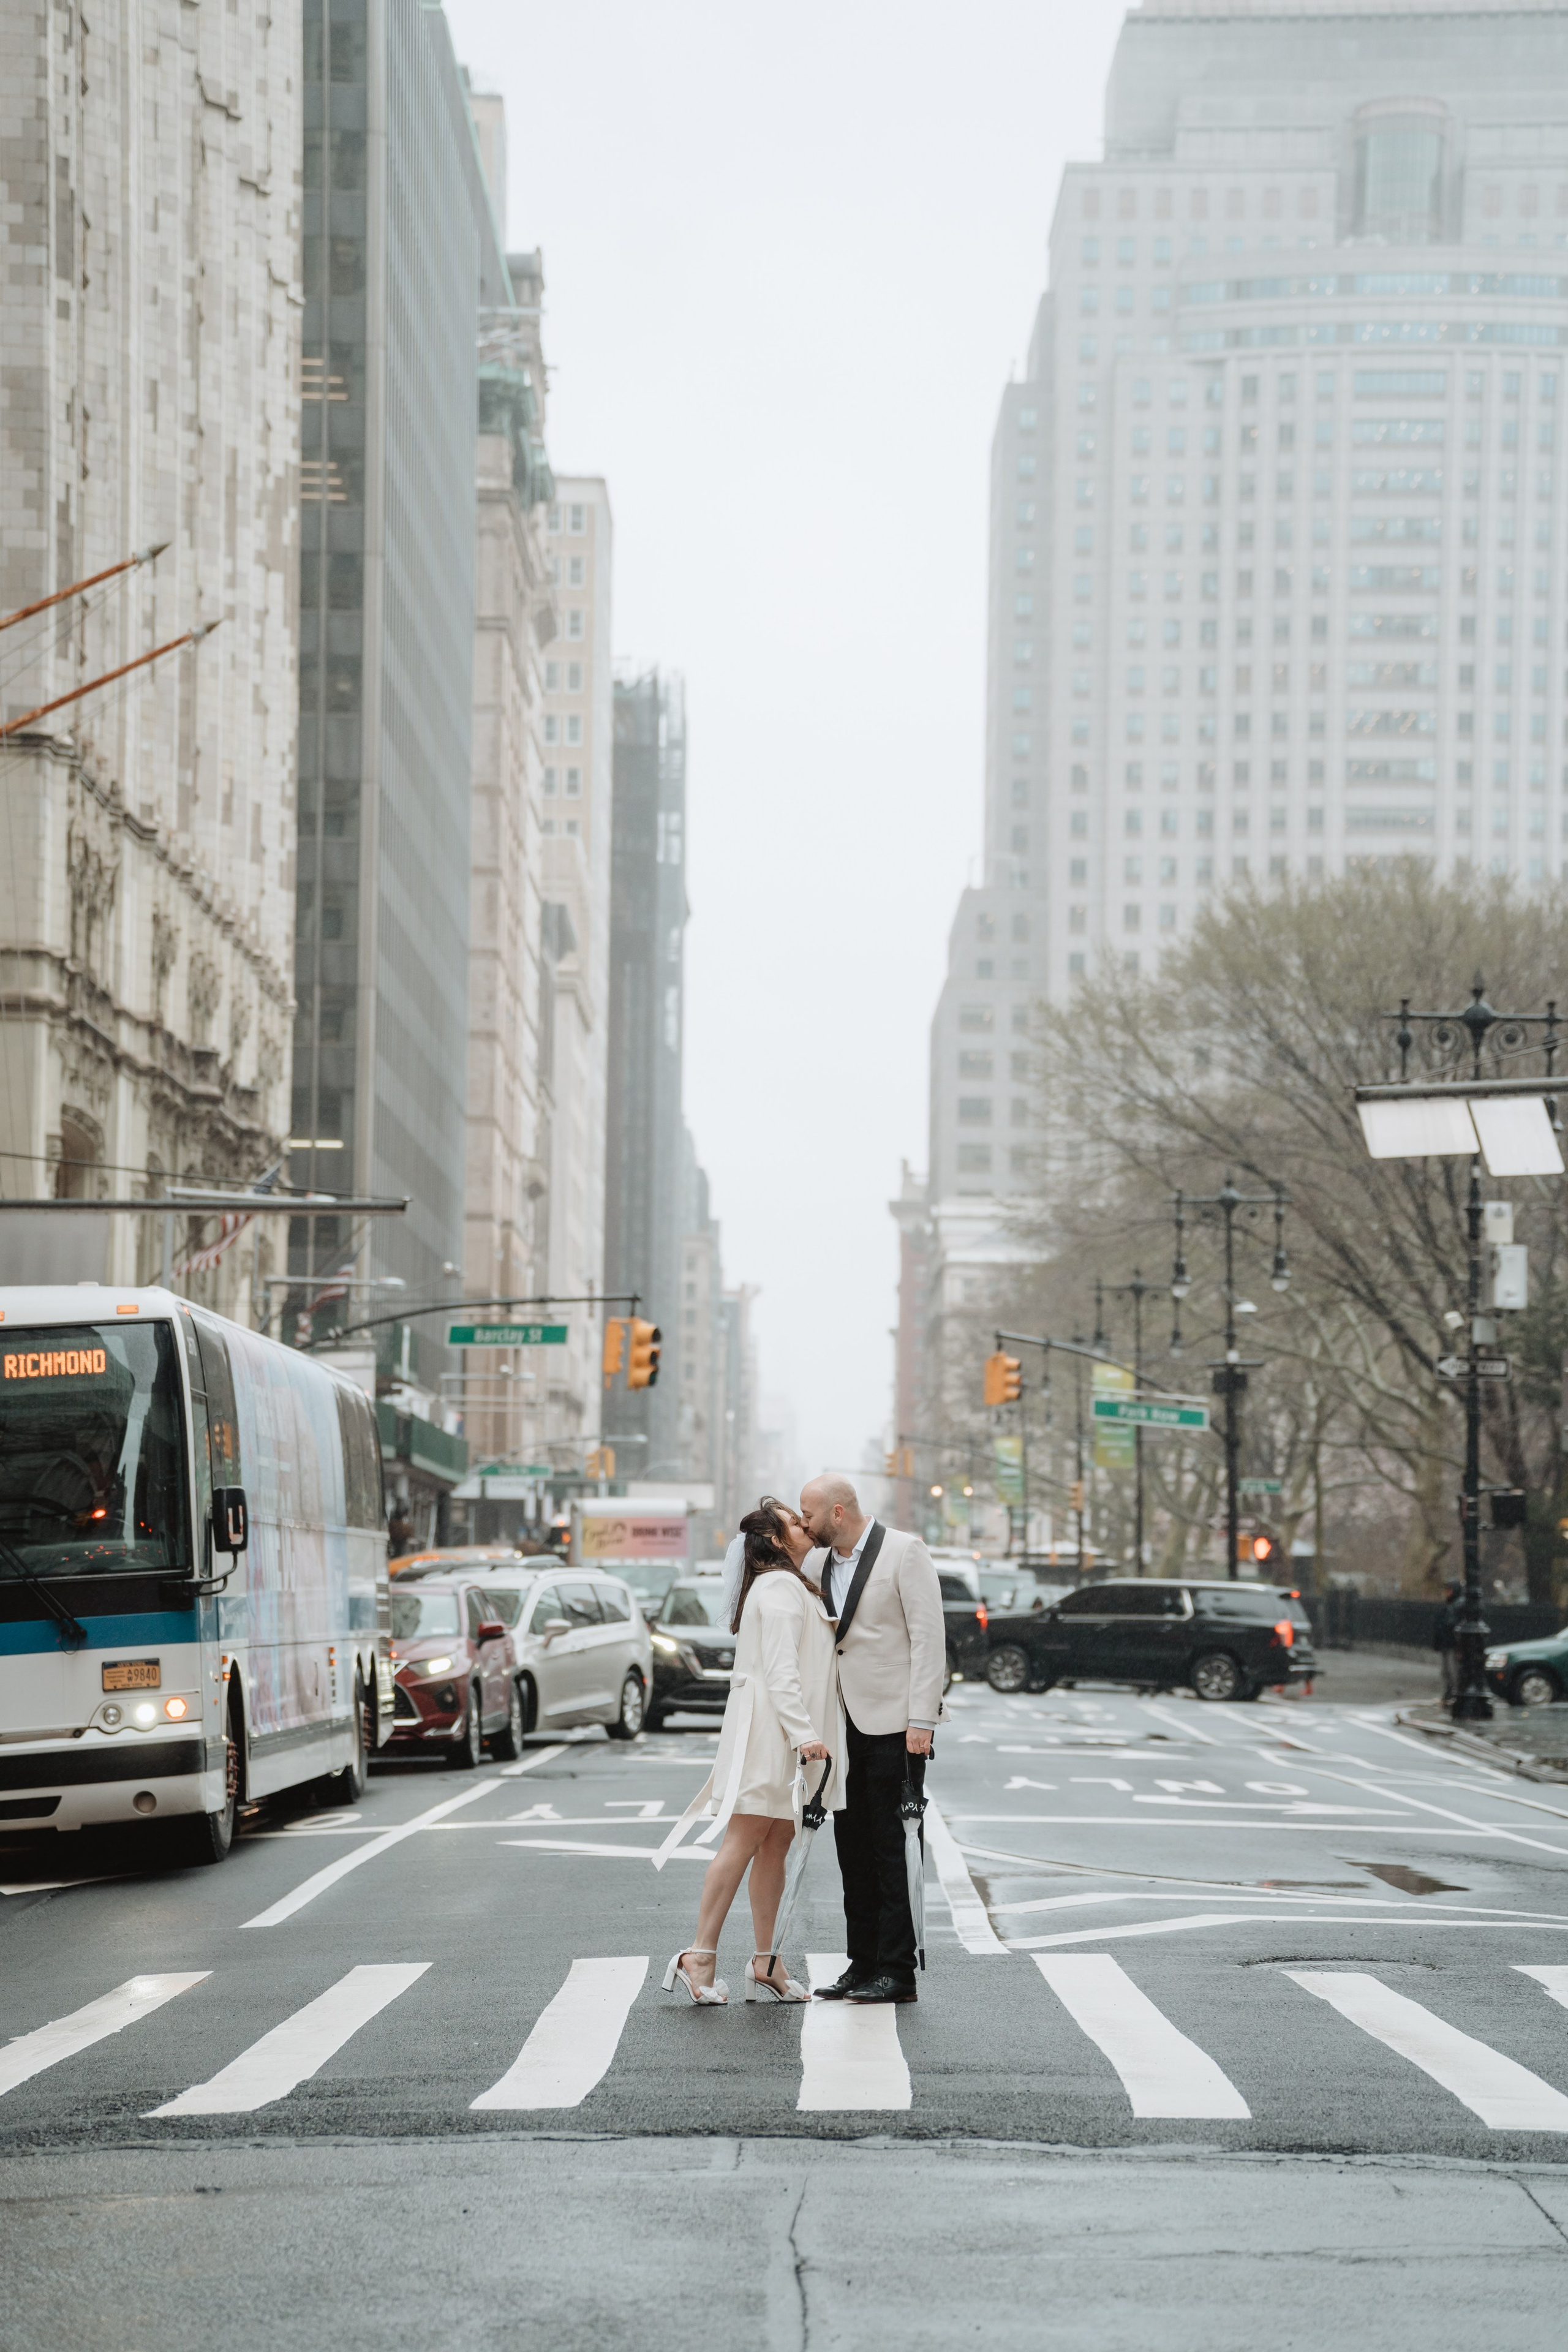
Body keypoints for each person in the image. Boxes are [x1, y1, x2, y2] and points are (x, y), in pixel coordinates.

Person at [662, 1499, 841, 2007]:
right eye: (794, 1523)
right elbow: (781, 1671)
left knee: (776, 1844)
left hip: (782, 1732)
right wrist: (804, 1733)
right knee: (743, 1841)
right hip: (772, 1733)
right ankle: (699, 1955)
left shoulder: (784, 1584)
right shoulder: (781, 1587)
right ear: (777, 1541)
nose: (806, 1525)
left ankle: (767, 1960)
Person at [799, 1474, 945, 2007]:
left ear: (838, 1512)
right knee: (850, 1849)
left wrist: (922, 1721)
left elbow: (929, 1638)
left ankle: (896, 1971)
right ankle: (860, 1966)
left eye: (808, 1514)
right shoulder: (815, 1564)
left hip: (895, 1727)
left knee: (894, 1849)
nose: (803, 1524)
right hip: (838, 1728)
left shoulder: (906, 1552)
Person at [1434, 1580, 1463, 1703]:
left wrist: (1459, 1646)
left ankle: (1454, 1694)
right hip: (1447, 1643)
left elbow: (1454, 1626)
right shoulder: (1451, 1605)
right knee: (1447, 1671)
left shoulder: (1458, 1605)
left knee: (1453, 1671)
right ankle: (1449, 1693)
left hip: (1452, 1644)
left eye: (1449, 1590)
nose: (1447, 1593)